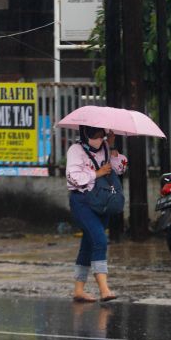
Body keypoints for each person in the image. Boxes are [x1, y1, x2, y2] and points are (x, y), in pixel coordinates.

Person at [66, 125, 128, 303]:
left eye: (101, 136)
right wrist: (96, 173)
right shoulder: (75, 150)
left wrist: (112, 148)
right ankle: (104, 289)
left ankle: (79, 290)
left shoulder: (106, 147)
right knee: (100, 240)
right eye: (95, 136)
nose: (99, 139)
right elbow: (73, 177)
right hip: (82, 202)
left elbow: (120, 169)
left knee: (88, 244)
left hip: (102, 202)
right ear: (85, 134)